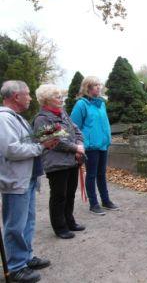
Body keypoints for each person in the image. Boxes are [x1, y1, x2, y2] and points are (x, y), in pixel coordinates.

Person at [0, 80, 58, 282]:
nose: (30, 98)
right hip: (15, 181)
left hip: (27, 178)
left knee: (27, 222)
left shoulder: (18, 119)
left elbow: (25, 141)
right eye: (27, 94)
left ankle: (25, 257)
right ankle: (15, 267)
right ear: (16, 96)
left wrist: (45, 137)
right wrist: (41, 146)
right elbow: (12, 149)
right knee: (15, 224)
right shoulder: (4, 119)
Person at [33, 84, 86, 239]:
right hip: (56, 163)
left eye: (61, 96)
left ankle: (70, 221)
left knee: (70, 194)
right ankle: (60, 227)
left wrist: (80, 144)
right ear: (46, 100)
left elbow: (76, 130)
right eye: (57, 97)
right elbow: (54, 141)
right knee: (59, 196)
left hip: (71, 160)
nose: (61, 99)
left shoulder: (62, 113)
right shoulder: (42, 119)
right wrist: (76, 148)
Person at [70, 76, 118, 215]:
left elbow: (104, 123)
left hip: (103, 144)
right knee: (91, 175)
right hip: (90, 146)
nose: (98, 87)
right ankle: (94, 203)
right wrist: (79, 146)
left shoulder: (101, 103)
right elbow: (74, 126)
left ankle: (106, 200)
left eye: (99, 84)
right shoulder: (81, 104)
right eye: (95, 85)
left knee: (102, 174)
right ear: (87, 88)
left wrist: (107, 138)